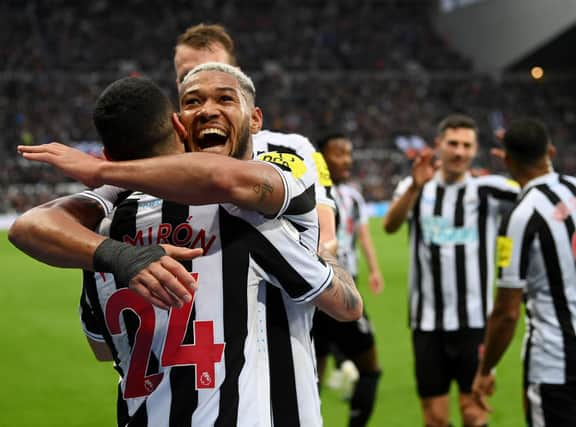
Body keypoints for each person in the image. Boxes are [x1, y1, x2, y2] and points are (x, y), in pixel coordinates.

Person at [13, 66, 362, 426]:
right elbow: (345, 305)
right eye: (193, 101)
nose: (208, 109)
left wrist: (105, 180)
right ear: (180, 126)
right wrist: (326, 251)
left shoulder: (98, 237)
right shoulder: (246, 216)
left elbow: (101, 348)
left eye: (224, 98)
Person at [471, 117, 576, 427]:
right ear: (551, 152)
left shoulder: (521, 216)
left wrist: (484, 370)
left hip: (555, 360)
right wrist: (572, 285)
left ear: (506, 160)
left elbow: (506, 312)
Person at [383, 114, 519, 427]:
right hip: (427, 323)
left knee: (474, 413)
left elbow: (533, 194)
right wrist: (414, 189)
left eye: (467, 145)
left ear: (475, 151)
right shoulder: (414, 187)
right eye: (453, 144)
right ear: (439, 146)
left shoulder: (490, 190)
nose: (459, 152)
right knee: (434, 418)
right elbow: (390, 226)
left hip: (475, 323)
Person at [175, 23, 337, 251]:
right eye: (188, 76)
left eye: (217, 72)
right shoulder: (156, 159)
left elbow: (325, 237)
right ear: (178, 86)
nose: (204, 80)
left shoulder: (293, 150)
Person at [312, 133, 384, 426]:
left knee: (366, 368)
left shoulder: (353, 196)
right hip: (318, 290)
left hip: (347, 286)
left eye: (348, 153)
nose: (347, 160)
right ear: (321, 157)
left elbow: (362, 236)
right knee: (311, 374)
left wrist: (375, 269)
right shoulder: (308, 192)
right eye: (339, 153)